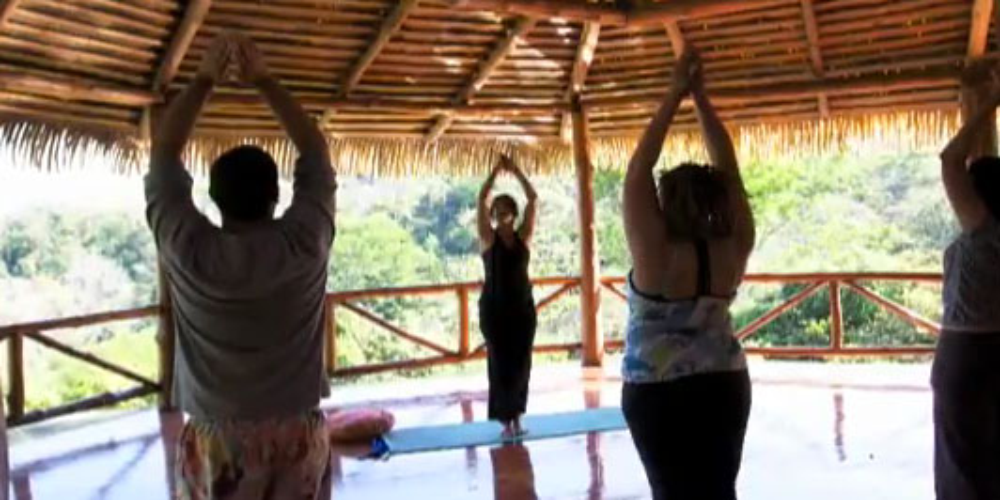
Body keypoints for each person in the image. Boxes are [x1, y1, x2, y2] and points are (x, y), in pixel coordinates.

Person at [145, 33, 337, 499]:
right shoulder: (305, 244)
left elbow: (163, 156)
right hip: (297, 432)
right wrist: (265, 80)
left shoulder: (188, 250)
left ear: (211, 198)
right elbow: (315, 153)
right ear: (277, 195)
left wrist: (204, 78)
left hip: (217, 441)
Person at [620, 49, 755, 500]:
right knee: (719, 492)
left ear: (668, 203)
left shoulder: (655, 256)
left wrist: (675, 95)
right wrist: (701, 101)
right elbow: (730, 171)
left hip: (659, 395)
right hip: (724, 383)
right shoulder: (733, 249)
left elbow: (637, 171)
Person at [933, 64, 1000, 500]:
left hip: (966, 354)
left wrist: (990, 101)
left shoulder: (984, 232)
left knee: (961, 465)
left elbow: (949, 160)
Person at [477, 154, 539, 440]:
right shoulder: (488, 240)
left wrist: (516, 171)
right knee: (500, 365)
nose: (502, 214)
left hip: (522, 311)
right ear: (493, 215)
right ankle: (505, 420)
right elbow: (480, 201)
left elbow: (533, 199)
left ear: (513, 213)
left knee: (521, 363)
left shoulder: (523, 238)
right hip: (494, 312)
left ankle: (518, 416)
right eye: (497, 210)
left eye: (506, 209)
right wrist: (493, 174)